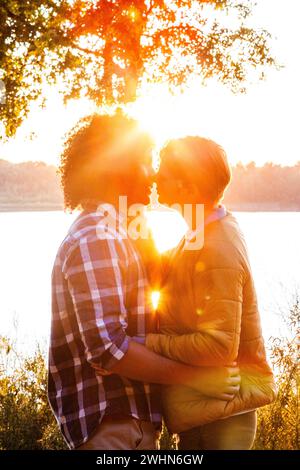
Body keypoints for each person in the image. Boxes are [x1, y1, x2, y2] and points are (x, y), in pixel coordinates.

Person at [47, 114, 241, 450]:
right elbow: (109, 350)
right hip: (112, 427)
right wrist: (197, 379)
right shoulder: (97, 236)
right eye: (144, 162)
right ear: (117, 169)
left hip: (128, 427)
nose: (152, 174)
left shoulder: (119, 232)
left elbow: (164, 284)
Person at [145, 136, 277, 450]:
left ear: (188, 187)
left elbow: (218, 347)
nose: (154, 177)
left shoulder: (217, 246)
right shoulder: (201, 234)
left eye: (163, 173)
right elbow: (173, 273)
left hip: (220, 419)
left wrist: (148, 344)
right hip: (208, 413)